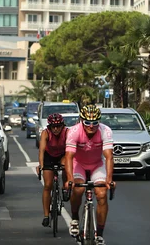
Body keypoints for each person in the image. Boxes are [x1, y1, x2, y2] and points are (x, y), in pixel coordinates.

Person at [64, 104, 115, 245]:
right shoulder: (74, 131)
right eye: (87, 122)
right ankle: (74, 218)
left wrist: (109, 179)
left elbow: (109, 157)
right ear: (81, 120)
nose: (91, 126)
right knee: (78, 188)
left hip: (97, 165)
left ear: (99, 121)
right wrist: (69, 179)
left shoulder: (105, 131)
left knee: (101, 194)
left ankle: (100, 233)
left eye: (94, 123)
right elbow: (69, 157)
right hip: (78, 164)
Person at [36, 113, 68, 227]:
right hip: (49, 156)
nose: (55, 129)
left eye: (58, 126)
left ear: (62, 125)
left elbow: (70, 150)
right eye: (53, 126)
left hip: (62, 155)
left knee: (65, 165)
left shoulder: (67, 132)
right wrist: (41, 166)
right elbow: (41, 151)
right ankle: (46, 215)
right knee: (48, 185)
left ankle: (65, 187)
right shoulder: (46, 132)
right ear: (49, 126)